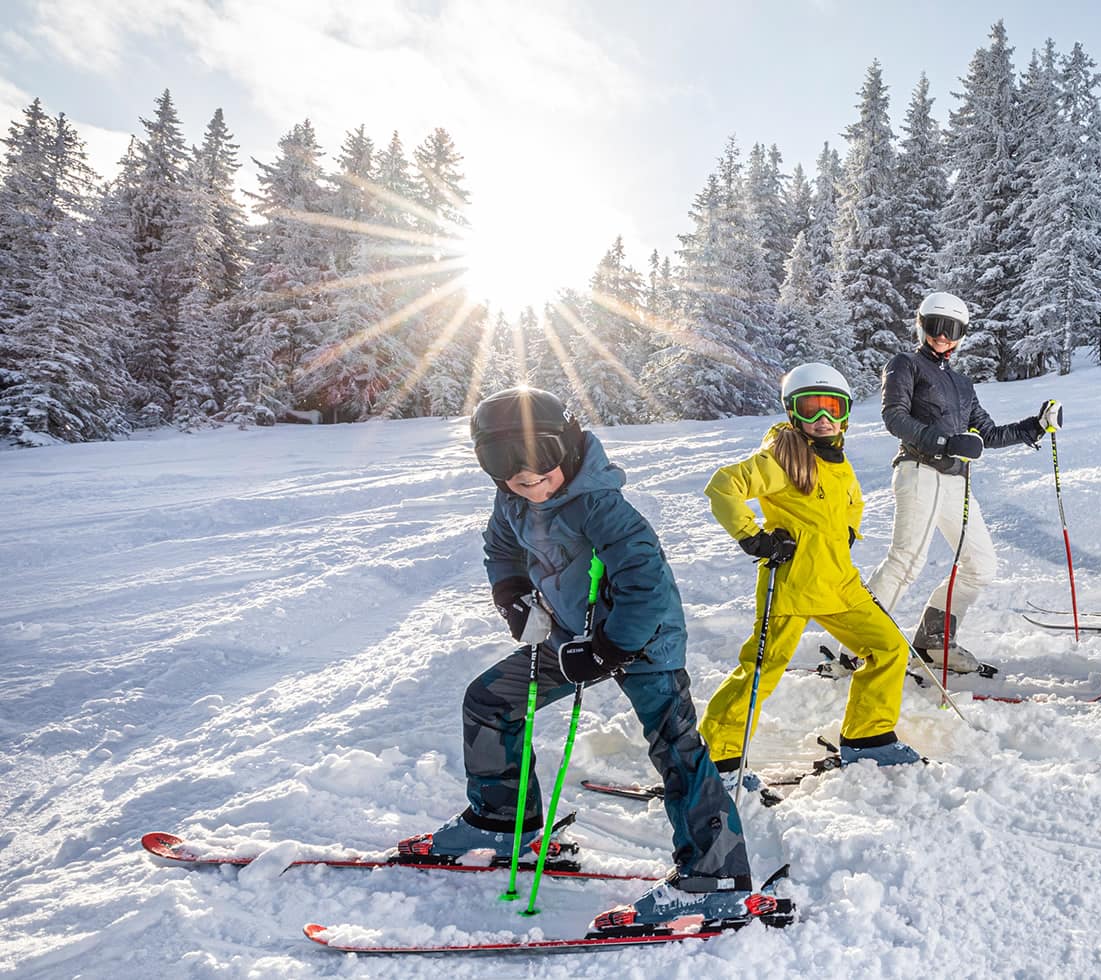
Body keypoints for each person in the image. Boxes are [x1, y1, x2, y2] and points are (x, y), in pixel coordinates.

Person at [396, 387, 779, 936]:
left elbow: (644, 585)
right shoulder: (512, 502)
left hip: (642, 640)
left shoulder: (601, 505)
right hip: (569, 638)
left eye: (539, 457)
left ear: (569, 447)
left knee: (675, 744)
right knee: (491, 701)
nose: (526, 476)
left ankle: (713, 876)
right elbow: (501, 550)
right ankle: (505, 821)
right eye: (503, 462)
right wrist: (512, 595)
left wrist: (608, 649)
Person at [699, 362, 924, 775]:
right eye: (811, 409)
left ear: (845, 414)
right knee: (762, 669)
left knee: (889, 648)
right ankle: (718, 756)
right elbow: (723, 486)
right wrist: (755, 537)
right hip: (792, 582)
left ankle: (867, 736)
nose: (823, 420)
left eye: (832, 409)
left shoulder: (838, 461)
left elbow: (854, 501)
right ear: (792, 413)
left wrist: (848, 533)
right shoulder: (781, 459)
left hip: (840, 584)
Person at [868, 290, 1061, 676]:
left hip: (955, 480)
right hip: (918, 470)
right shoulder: (905, 364)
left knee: (981, 564)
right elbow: (894, 417)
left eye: (952, 329)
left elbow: (986, 433)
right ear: (922, 325)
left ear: (962, 333)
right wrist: (944, 442)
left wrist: (1034, 427)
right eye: (936, 326)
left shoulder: (961, 384)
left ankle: (934, 640)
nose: (943, 336)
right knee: (906, 560)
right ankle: (860, 646)